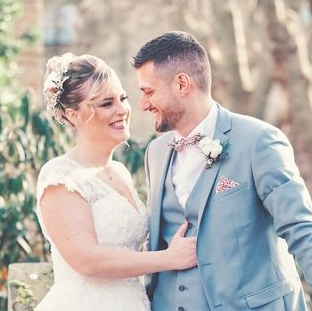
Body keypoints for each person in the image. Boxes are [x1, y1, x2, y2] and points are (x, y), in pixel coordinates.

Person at [133, 31, 312, 311]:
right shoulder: (155, 153)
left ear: (182, 83)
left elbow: (303, 231)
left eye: (148, 92)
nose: (143, 104)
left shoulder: (258, 141)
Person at [35, 53, 197, 310]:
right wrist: (170, 258)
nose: (122, 110)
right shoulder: (61, 177)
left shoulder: (120, 171)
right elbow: (88, 261)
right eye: (106, 103)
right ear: (73, 115)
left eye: (122, 98)